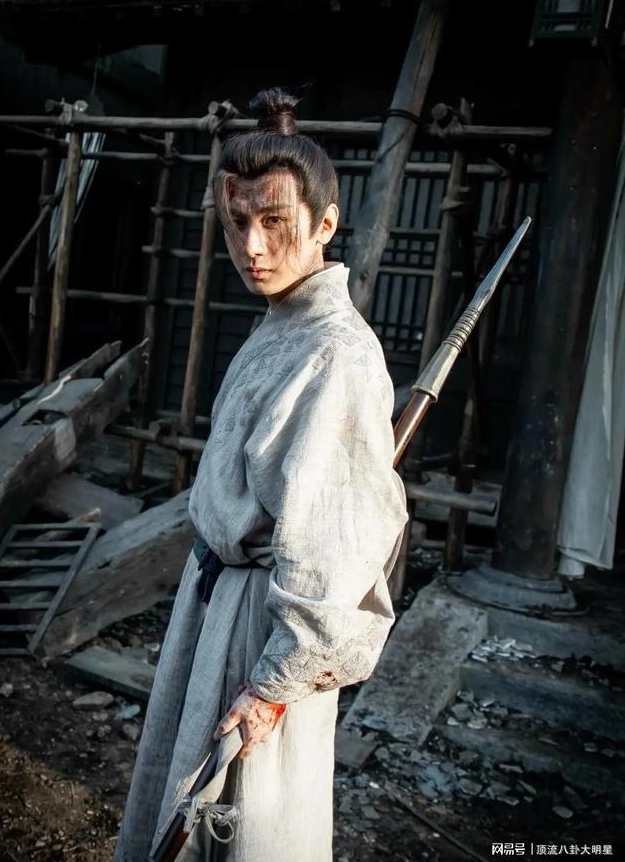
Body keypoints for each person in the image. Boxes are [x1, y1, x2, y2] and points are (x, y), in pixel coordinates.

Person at [113, 88, 409, 862]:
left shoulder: (337, 353)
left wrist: (275, 682)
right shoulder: (281, 322)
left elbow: (337, 547)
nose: (253, 246)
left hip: (265, 624)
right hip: (219, 600)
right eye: (237, 222)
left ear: (325, 224)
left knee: (249, 824)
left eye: (275, 221)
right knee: (186, 806)